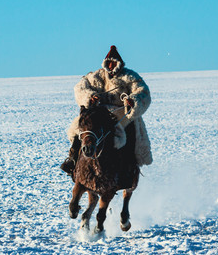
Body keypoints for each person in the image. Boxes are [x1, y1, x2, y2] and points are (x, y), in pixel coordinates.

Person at [61, 45, 153, 174]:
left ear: (119, 64)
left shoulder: (130, 76)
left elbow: (143, 91)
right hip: (99, 112)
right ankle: (73, 158)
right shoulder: (96, 76)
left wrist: (132, 100)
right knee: (79, 128)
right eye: (109, 63)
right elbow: (80, 87)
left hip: (121, 112)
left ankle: (129, 166)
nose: (111, 66)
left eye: (113, 63)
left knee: (126, 132)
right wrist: (90, 97)